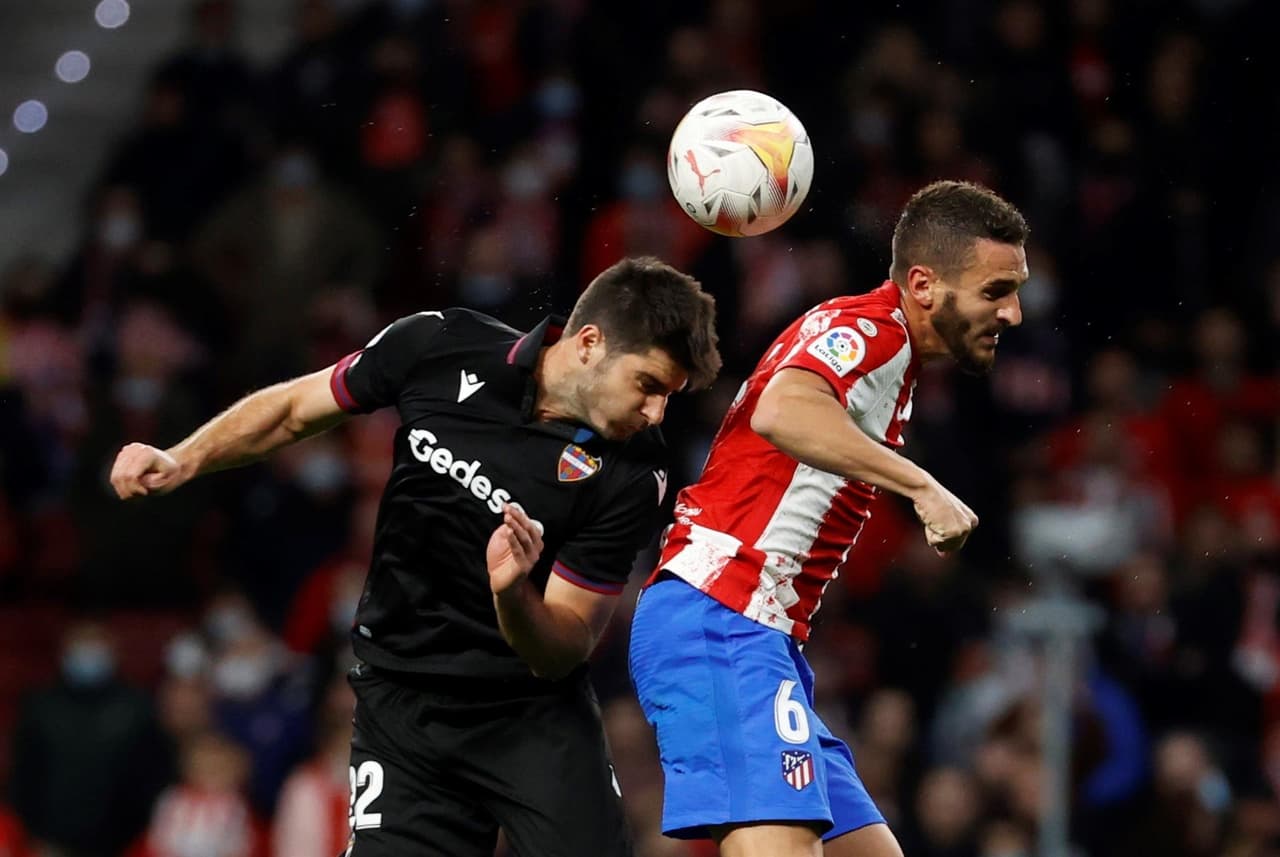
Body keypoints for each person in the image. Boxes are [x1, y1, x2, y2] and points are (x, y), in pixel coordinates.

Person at [110, 255, 721, 857]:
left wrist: (511, 594)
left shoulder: (635, 474)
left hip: (528, 716)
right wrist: (183, 457)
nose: (655, 413)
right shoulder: (441, 342)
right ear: (589, 343)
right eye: (647, 385)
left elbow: (564, 646)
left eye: (668, 396)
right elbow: (295, 411)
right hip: (402, 706)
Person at [629, 180, 1030, 857]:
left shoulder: (885, 354)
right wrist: (921, 487)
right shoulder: (870, 333)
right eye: (995, 291)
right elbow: (780, 410)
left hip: (761, 637)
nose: (1014, 313)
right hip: (721, 619)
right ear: (925, 285)